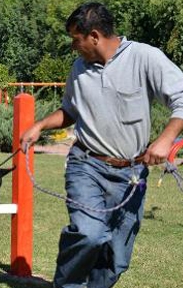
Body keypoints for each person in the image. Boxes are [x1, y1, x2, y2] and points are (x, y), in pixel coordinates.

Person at [21, 2, 183, 287]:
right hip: (87, 166)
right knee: (89, 233)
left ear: (94, 36)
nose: (73, 46)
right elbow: (70, 111)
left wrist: (166, 138)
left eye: (76, 39)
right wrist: (40, 125)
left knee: (116, 258)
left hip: (131, 176)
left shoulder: (144, 57)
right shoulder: (79, 69)